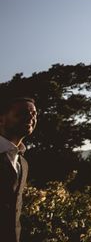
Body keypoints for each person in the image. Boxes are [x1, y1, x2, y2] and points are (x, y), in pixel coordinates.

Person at [0, 97, 37, 242]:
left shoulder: (23, 163)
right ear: (1, 120)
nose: (30, 117)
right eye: (22, 113)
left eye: (33, 114)